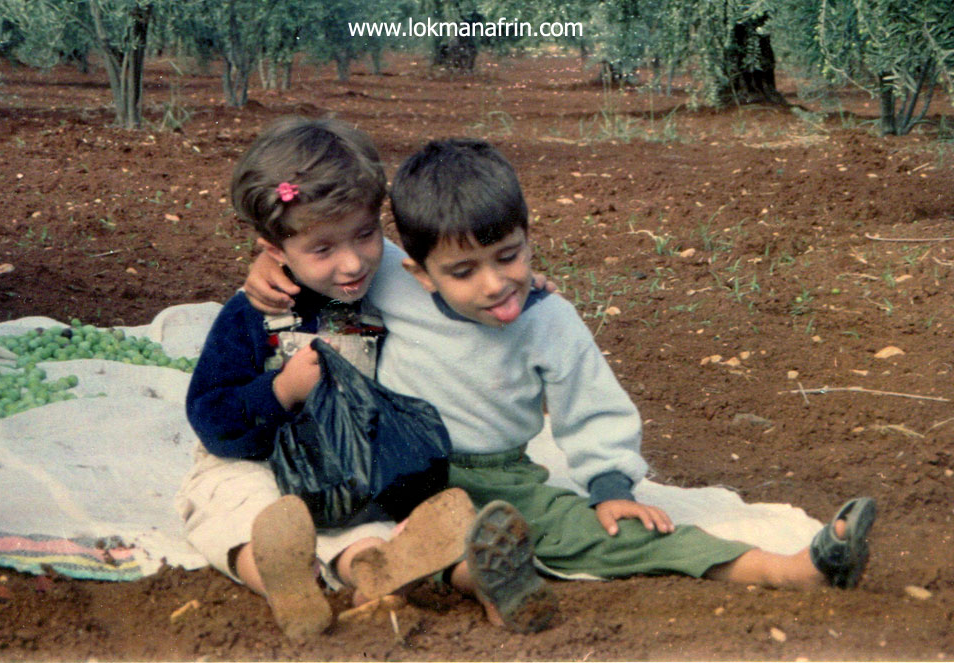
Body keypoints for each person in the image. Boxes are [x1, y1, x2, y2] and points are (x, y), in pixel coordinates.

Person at [244, 137, 877, 594]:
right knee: (344, 523)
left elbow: (592, 406)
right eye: (464, 271)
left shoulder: (550, 321)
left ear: (527, 236)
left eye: (509, 256)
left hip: (503, 478)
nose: (494, 284)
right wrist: (268, 264)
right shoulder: (387, 276)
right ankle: (449, 570)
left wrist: (611, 488)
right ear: (421, 273)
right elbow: (326, 246)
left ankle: (785, 569)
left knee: (606, 535)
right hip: (400, 470)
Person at [175, 119, 557, 643]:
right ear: (275, 250)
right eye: (323, 249)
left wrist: (514, 289)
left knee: (382, 529)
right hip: (255, 461)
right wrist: (281, 390)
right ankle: (289, 584)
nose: (353, 262)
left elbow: (458, 287)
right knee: (242, 510)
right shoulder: (254, 316)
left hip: (355, 468)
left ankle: (465, 576)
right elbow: (210, 416)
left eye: (365, 234)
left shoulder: (387, 289)